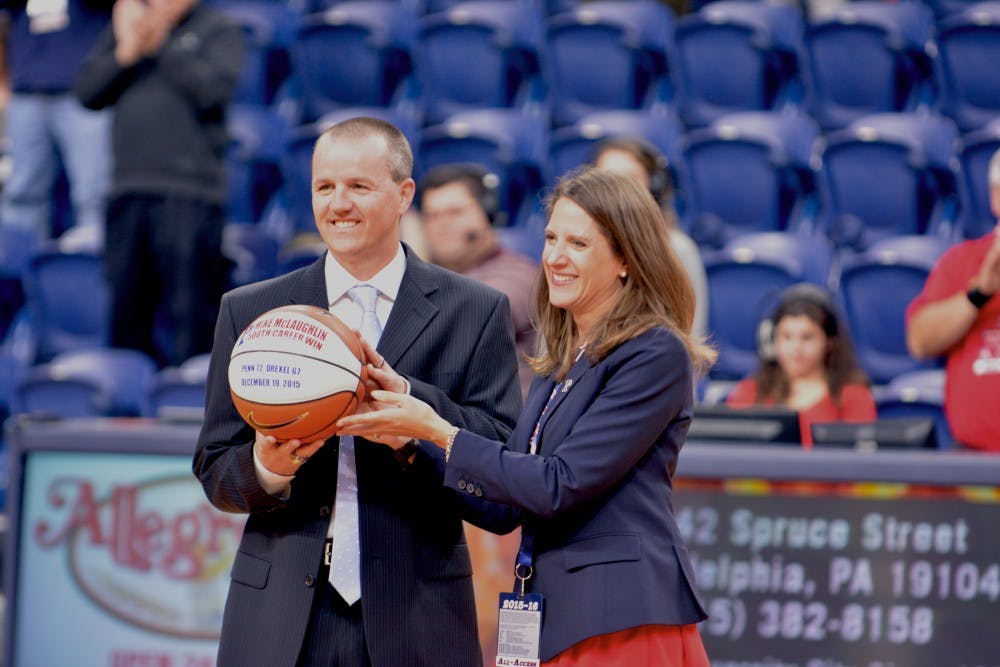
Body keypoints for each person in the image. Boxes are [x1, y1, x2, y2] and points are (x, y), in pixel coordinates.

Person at [337, 167, 715, 665]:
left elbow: (559, 485)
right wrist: (410, 445)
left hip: (621, 622)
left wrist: (436, 429)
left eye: (578, 244)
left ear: (625, 258)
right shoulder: (560, 356)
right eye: (551, 237)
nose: (555, 257)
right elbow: (506, 506)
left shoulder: (654, 352)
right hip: (558, 618)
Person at [193, 117, 522, 667]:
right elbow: (215, 471)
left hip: (419, 612)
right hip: (279, 613)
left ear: (403, 195)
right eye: (325, 187)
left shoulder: (476, 309)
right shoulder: (251, 311)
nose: (338, 204)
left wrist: (413, 430)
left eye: (359, 187)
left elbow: (502, 482)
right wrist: (268, 466)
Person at [74, 0, 243, 367]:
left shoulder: (218, 30)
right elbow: (87, 93)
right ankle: (126, 408)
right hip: (127, 191)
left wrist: (162, 43)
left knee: (191, 310)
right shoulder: (128, 32)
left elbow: (212, 91)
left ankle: (192, 405)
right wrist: (126, 52)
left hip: (190, 195)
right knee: (126, 310)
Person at [905, 148, 1000, 453]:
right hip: (974, 461)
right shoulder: (961, 261)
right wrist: (979, 293)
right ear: (996, 197)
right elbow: (920, 341)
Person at [418, 163, 539, 398]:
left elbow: (474, 316)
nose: (442, 224)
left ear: (488, 212)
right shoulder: (424, 276)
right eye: (432, 216)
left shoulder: (518, 274)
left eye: (454, 212)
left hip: (502, 426)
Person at [0, 0, 111, 244]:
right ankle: (19, 275)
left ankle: (93, 272)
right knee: (22, 193)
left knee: (93, 194)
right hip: (27, 94)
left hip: (84, 95)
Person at [727, 283, 876, 447]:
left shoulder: (854, 396)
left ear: (830, 342)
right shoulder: (749, 393)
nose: (795, 348)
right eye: (786, 336)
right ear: (771, 340)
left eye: (807, 337)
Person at [592, 136, 709, 339]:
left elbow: (690, 339)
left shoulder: (678, 250)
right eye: (608, 180)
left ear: (654, 189)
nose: (618, 190)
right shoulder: (574, 244)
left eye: (630, 179)